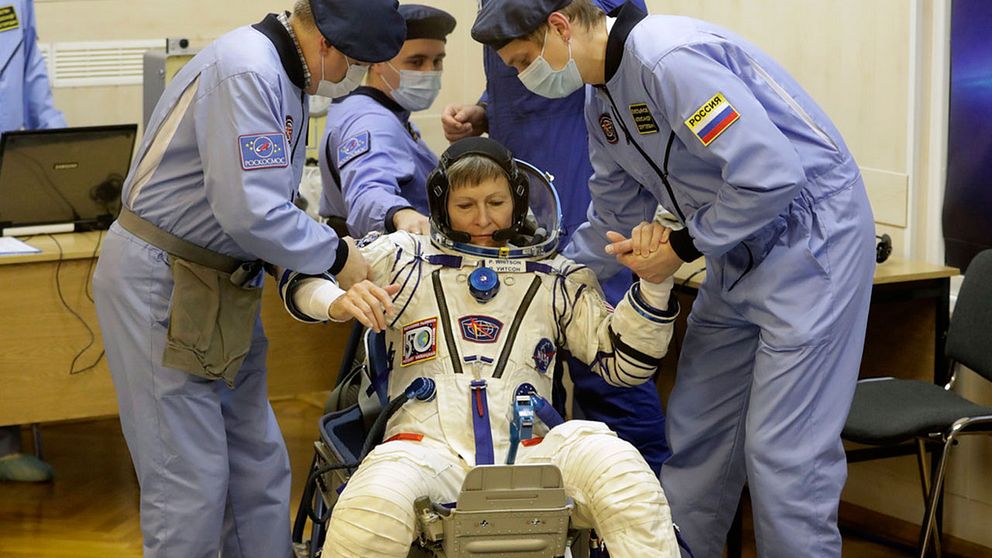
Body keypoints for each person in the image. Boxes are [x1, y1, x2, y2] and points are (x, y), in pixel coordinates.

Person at [471, 1, 877, 557]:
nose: (522, 78)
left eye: (522, 61)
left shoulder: (670, 59)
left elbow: (770, 175)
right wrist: (547, 280)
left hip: (809, 241)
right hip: (732, 247)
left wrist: (679, 247)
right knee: (696, 430)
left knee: (783, 452)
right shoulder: (600, 98)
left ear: (561, 27)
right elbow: (613, 216)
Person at [90, 1, 406, 556]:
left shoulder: (285, 74)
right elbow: (251, 212)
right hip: (163, 282)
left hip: (223, 283)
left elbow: (269, 204)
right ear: (327, 42)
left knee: (255, 464)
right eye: (355, 63)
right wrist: (336, 256)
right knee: (189, 480)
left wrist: (325, 268)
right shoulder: (248, 69)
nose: (355, 78)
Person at [280, 137, 680, 557]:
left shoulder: (553, 275)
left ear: (518, 200)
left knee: (623, 476)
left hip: (535, 451)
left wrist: (654, 286)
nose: (482, 219)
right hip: (424, 450)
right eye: (465, 205)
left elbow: (627, 365)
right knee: (371, 507)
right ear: (441, 207)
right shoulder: (402, 258)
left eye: (496, 202)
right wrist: (335, 301)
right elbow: (302, 264)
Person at [440, 0, 671, 476]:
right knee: (530, 382)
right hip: (528, 213)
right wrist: (486, 109)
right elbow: (528, 63)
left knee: (610, 373)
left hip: (588, 194)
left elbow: (588, 46)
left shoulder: (583, 25)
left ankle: (645, 519)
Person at [318, 4, 455, 239]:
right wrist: (399, 214)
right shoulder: (371, 122)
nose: (429, 71)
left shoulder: (391, 114)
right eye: (416, 61)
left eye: (437, 60)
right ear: (378, 60)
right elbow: (368, 189)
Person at [0, 0, 65, 483]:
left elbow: (30, 71)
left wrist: (60, 148)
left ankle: (6, 441)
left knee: (13, 307)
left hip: (10, 169)